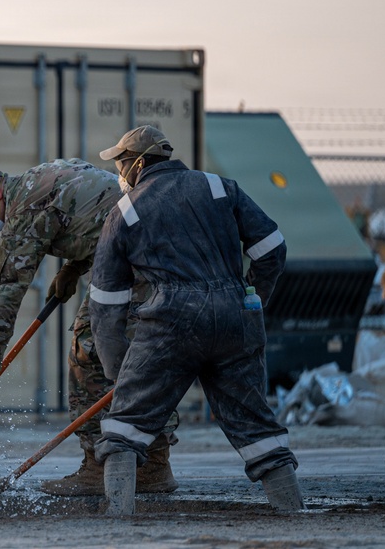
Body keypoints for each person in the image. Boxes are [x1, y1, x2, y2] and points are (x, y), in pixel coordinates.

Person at [88, 125, 303, 515]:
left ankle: (117, 519)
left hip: (171, 322)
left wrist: (119, 370)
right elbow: (273, 249)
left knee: (124, 429)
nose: (120, 172)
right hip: (236, 316)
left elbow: (106, 303)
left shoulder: (125, 211)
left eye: (120, 163)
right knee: (258, 429)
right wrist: (251, 299)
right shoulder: (221, 187)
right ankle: (294, 514)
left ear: (137, 164)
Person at [0, 159, 178, 496]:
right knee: (133, 357)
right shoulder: (45, 175)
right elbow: (100, 215)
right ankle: (154, 464)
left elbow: (7, 299)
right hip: (158, 249)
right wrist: (74, 267)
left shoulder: (22, 210)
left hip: (136, 261)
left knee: (87, 352)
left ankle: (98, 466)